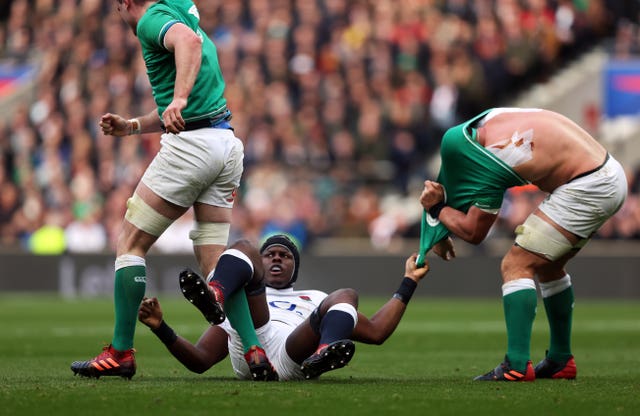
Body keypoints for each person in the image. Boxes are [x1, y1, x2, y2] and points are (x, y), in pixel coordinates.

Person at [71, 0, 267, 379]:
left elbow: (188, 47)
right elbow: (183, 108)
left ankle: (121, 352)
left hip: (192, 149)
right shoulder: (180, 8)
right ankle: (254, 348)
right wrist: (130, 127)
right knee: (215, 263)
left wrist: (177, 98)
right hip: (225, 144)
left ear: (125, 3)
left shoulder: (150, 19)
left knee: (130, 243)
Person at [417, 108, 627, 381]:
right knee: (549, 266)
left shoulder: (495, 160)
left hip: (589, 185)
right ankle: (561, 360)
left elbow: (473, 232)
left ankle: (516, 364)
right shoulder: (489, 119)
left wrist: (436, 211)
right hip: (606, 173)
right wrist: (441, 229)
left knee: (516, 264)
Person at [138, 234, 430, 381]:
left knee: (346, 294)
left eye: (285, 256)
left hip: (295, 355)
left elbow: (377, 332)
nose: (276, 259)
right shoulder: (243, 302)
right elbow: (202, 360)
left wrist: (408, 281)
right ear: (261, 265)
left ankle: (322, 354)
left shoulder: (313, 296)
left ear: (296, 267)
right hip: (252, 347)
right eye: (270, 255)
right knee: (243, 246)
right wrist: (161, 328)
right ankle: (216, 293)